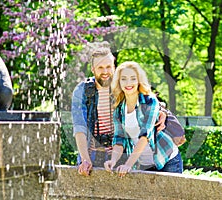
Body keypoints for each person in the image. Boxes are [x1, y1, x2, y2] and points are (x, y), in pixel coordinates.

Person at [71, 42, 167, 176]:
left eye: (108, 67)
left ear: (114, 67)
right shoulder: (82, 90)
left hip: (121, 154)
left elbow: (145, 98)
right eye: (100, 67)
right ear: (93, 69)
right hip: (91, 155)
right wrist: (85, 160)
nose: (105, 71)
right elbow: (79, 127)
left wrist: (162, 111)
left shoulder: (122, 86)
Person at [104, 61, 183, 177]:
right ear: (119, 82)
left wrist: (128, 164)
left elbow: (145, 135)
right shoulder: (119, 110)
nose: (128, 83)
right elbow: (119, 139)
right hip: (145, 164)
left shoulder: (150, 102)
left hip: (168, 160)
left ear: (138, 81)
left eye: (133, 78)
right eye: (124, 79)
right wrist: (113, 160)